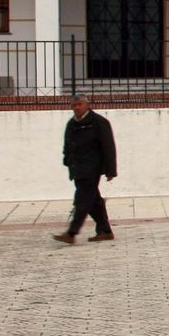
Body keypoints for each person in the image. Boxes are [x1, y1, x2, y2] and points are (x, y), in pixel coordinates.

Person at [53, 95, 117, 244]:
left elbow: (108, 147)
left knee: (82, 200)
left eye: (80, 104)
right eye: (74, 105)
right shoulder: (72, 124)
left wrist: (110, 170)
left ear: (87, 105)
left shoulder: (99, 123)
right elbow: (67, 145)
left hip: (92, 168)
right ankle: (105, 231)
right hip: (77, 168)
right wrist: (67, 160)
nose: (77, 107)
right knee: (94, 201)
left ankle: (71, 233)